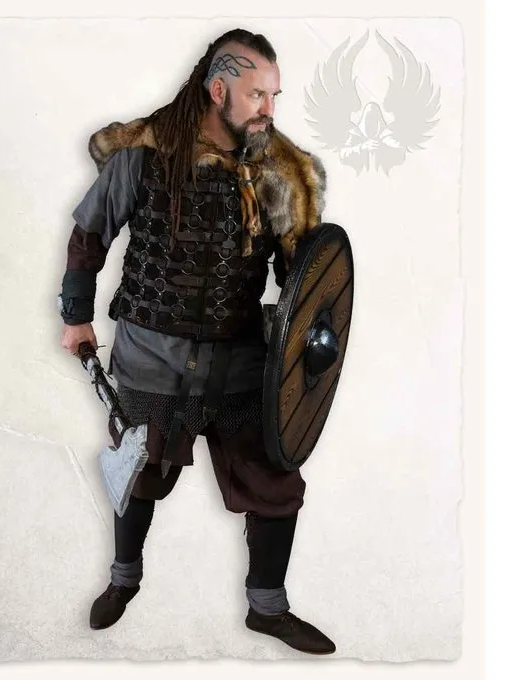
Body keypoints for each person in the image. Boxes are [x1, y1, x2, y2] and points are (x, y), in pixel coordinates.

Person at [58, 28, 335, 655]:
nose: (269, 107)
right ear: (218, 91)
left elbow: (304, 277)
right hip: (152, 357)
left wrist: (309, 335)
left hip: (239, 362)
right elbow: (89, 233)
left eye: (275, 95)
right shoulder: (146, 155)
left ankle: (268, 608)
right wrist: (76, 315)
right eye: (258, 94)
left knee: (273, 480)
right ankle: (123, 580)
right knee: (140, 471)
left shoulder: (278, 173)